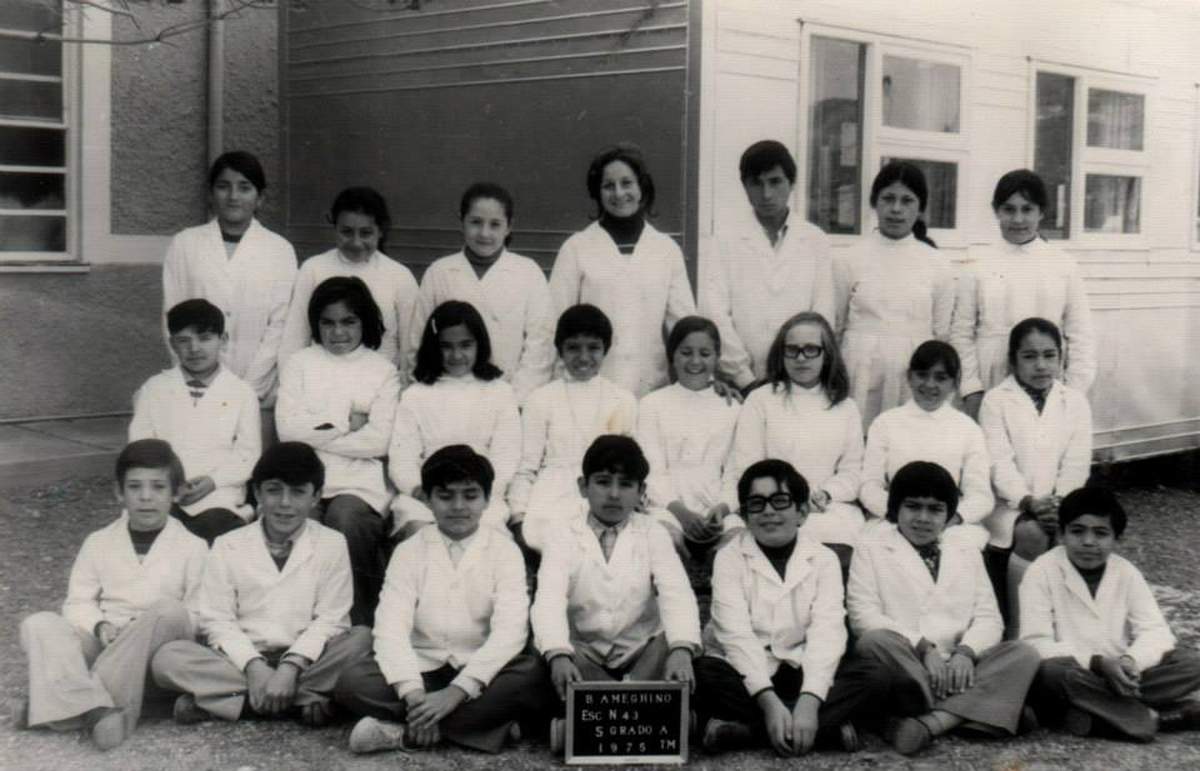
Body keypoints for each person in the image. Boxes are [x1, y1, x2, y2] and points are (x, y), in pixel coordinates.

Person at [336, 445, 554, 754]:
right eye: (446, 496)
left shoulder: (505, 552)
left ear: (487, 500)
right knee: (352, 681)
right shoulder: (409, 551)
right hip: (422, 667)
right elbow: (390, 628)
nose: (458, 506)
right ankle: (486, 729)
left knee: (531, 675)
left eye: (470, 495)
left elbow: (510, 633)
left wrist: (457, 691)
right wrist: (413, 694)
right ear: (427, 499)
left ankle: (405, 734)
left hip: (481, 671)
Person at [151, 442, 373, 727]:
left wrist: (290, 667)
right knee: (167, 659)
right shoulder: (228, 544)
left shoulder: (332, 543)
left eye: (298, 492)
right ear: (257, 493)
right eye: (274, 490)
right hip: (242, 660)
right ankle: (303, 701)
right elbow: (217, 619)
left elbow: (332, 619)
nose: (285, 503)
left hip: (308, 660)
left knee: (362, 638)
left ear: (316, 497)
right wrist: (254, 666)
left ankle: (232, 703)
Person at [693, 459, 891, 756]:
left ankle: (750, 731)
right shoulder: (728, 558)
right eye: (756, 504)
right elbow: (735, 636)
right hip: (746, 669)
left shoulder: (824, 559)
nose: (768, 511)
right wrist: (768, 701)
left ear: (802, 512)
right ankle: (823, 730)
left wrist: (810, 701)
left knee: (876, 676)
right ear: (744, 516)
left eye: (780, 501)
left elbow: (828, 632)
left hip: (801, 667)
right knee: (703, 674)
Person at [17, 439, 205, 749]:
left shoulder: (193, 547)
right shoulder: (98, 541)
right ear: (119, 492)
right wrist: (100, 626)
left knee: (168, 610)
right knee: (39, 624)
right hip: (107, 640)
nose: (146, 497)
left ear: (176, 493)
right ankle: (97, 709)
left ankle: (63, 703)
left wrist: (139, 630)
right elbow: (78, 602)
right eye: (135, 487)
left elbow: (197, 613)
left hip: (155, 650)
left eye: (158, 487)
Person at [848, 461, 1040, 756]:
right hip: (908, 663)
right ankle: (989, 708)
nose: (923, 518)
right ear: (895, 508)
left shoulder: (966, 549)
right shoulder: (870, 547)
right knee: (873, 642)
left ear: (949, 515)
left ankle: (933, 722)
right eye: (913, 506)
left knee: (1024, 653)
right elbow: (863, 617)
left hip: (961, 666)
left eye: (935, 509)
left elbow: (989, 618)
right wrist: (924, 648)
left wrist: (966, 653)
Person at [532, 435, 701, 743]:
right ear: (583, 486)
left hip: (641, 651)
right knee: (541, 657)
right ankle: (655, 719)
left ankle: (586, 722)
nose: (613, 494)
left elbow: (676, 594)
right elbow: (549, 598)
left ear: (641, 492)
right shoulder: (561, 532)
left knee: (677, 644)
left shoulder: (653, 533)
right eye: (602, 482)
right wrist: (557, 653)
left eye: (625, 484)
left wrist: (680, 650)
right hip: (584, 652)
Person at [1020, 487, 1200, 741]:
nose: (1088, 542)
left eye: (1101, 533)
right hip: (1076, 672)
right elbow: (1035, 643)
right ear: (1061, 534)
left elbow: (1155, 630)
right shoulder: (1041, 571)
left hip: (1120, 673)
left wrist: (1131, 661)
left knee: (1192, 663)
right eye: (1077, 531)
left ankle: (1091, 714)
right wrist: (1097, 663)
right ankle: (1158, 718)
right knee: (1051, 672)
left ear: (1117, 539)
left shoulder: (1126, 573)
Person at [276, 277, 400, 626]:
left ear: (365, 322)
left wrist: (315, 431)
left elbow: (379, 441)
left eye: (348, 321)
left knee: (344, 520)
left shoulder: (382, 370)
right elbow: (287, 431)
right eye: (328, 323)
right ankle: (299, 625)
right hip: (305, 478)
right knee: (301, 525)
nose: (338, 332)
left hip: (358, 483)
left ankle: (360, 623)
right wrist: (346, 421)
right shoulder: (300, 363)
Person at [161, 150, 297, 443]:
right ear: (211, 194)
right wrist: (193, 377)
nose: (233, 196)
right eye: (224, 186)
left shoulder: (279, 250)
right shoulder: (185, 244)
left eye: (244, 187)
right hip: (195, 383)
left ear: (260, 198)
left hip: (257, 386)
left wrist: (250, 387)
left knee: (249, 461)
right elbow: (172, 317)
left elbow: (280, 325)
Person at [548, 143, 696, 397]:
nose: (619, 193)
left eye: (627, 183)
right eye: (608, 185)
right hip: (588, 389)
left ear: (642, 187)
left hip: (649, 390)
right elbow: (552, 324)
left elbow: (685, 327)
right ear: (597, 192)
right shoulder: (576, 248)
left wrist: (706, 379)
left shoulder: (666, 250)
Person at [951, 170, 1096, 418]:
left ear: (1041, 212)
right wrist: (971, 389)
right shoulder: (976, 264)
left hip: (1045, 376)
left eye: (1027, 209)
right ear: (996, 210)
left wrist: (1073, 391)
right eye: (1009, 209)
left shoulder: (1064, 265)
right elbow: (961, 333)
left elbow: (1081, 333)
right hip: (990, 376)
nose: (1018, 219)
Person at [979, 318, 1093, 631]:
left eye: (1049, 355)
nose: (1041, 365)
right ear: (1013, 360)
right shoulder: (996, 400)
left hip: (1060, 504)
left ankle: (1071, 627)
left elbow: (1076, 463)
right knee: (1033, 534)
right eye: (1029, 356)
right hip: (1009, 506)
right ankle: (1021, 632)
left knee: (1088, 534)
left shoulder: (1075, 402)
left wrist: (1059, 503)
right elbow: (999, 463)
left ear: (1061, 358)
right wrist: (1028, 501)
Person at [702, 140, 835, 390]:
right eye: (756, 183)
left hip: (800, 376)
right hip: (740, 383)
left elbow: (822, 314)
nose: (766, 194)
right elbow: (715, 312)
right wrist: (744, 377)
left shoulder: (816, 240)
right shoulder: (724, 240)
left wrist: (802, 369)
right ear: (745, 186)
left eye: (775, 182)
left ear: (791, 183)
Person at [730, 312, 864, 559]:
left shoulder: (846, 407)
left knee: (839, 545)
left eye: (811, 349)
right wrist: (781, 498)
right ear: (782, 354)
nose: (801, 358)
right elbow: (747, 464)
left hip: (825, 508)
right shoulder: (761, 400)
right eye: (792, 350)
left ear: (827, 355)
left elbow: (852, 472)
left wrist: (826, 494)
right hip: (770, 503)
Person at [831, 161, 955, 429]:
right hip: (859, 371)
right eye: (888, 198)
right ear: (874, 202)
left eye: (907, 201)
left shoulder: (937, 264)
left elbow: (942, 334)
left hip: (914, 374)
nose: (896, 209)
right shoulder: (849, 259)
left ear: (920, 209)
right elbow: (836, 327)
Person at [408, 182, 555, 405]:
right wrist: (429, 395)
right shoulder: (439, 272)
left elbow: (540, 344)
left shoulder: (528, 272)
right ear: (462, 222)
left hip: (510, 396)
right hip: (447, 396)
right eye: (476, 222)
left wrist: (515, 402)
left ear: (509, 226)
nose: (485, 233)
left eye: (495, 224)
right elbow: (418, 341)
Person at [508, 305, 637, 553]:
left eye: (593, 348)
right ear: (560, 350)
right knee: (555, 542)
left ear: (606, 349)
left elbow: (632, 464)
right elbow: (526, 468)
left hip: (606, 493)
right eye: (573, 348)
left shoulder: (622, 399)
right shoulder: (541, 400)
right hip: (553, 495)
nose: (584, 357)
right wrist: (518, 516)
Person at [130, 298, 260, 544]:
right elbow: (140, 447)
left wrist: (213, 481)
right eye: (184, 340)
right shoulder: (154, 389)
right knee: (156, 536)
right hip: (165, 488)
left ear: (223, 339)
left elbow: (247, 454)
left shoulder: (242, 393)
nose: (194, 348)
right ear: (172, 344)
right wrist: (170, 482)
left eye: (205, 338)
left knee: (211, 531)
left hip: (219, 492)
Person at [388, 300, 522, 537]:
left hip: (480, 495)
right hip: (428, 496)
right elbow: (402, 459)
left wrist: (475, 495)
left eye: (466, 345)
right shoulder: (415, 395)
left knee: (485, 533)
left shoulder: (500, 393)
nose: (457, 355)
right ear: (434, 348)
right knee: (421, 532)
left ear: (480, 344)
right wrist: (424, 492)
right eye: (446, 347)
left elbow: (505, 458)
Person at [859, 341, 992, 550]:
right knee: (879, 544)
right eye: (922, 375)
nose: (930, 385)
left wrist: (952, 518)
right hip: (894, 519)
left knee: (959, 547)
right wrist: (897, 514)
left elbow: (981, 494)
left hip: (947, 523)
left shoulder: (968, 428)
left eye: (940, 378)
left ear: (955, 382)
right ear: (909, 377)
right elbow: (869, 484)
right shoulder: (885, 423)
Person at [279, 186, 418, 378]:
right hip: (321, 383)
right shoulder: (313, 269)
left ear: (380, 231)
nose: (356, 242)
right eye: (346, 232)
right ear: (334, 228)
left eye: (366, 233)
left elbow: (410, 346)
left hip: (380, 384)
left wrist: (403, 387)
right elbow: (294, 338)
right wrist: (291, 382)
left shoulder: (400, 276)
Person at [637, 316, 742, 558]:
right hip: (667, 504)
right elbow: (652, 469)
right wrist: (680, 512)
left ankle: (716, 566)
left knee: (738, 542)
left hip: (716, 505)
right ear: (672, 356)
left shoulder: (732, 407)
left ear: (717, 357)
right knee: (662, 537)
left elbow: (735, 470)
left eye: (705, 353)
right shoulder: (652, 404)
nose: (695, 361)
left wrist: (723, 507)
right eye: (686, 353)